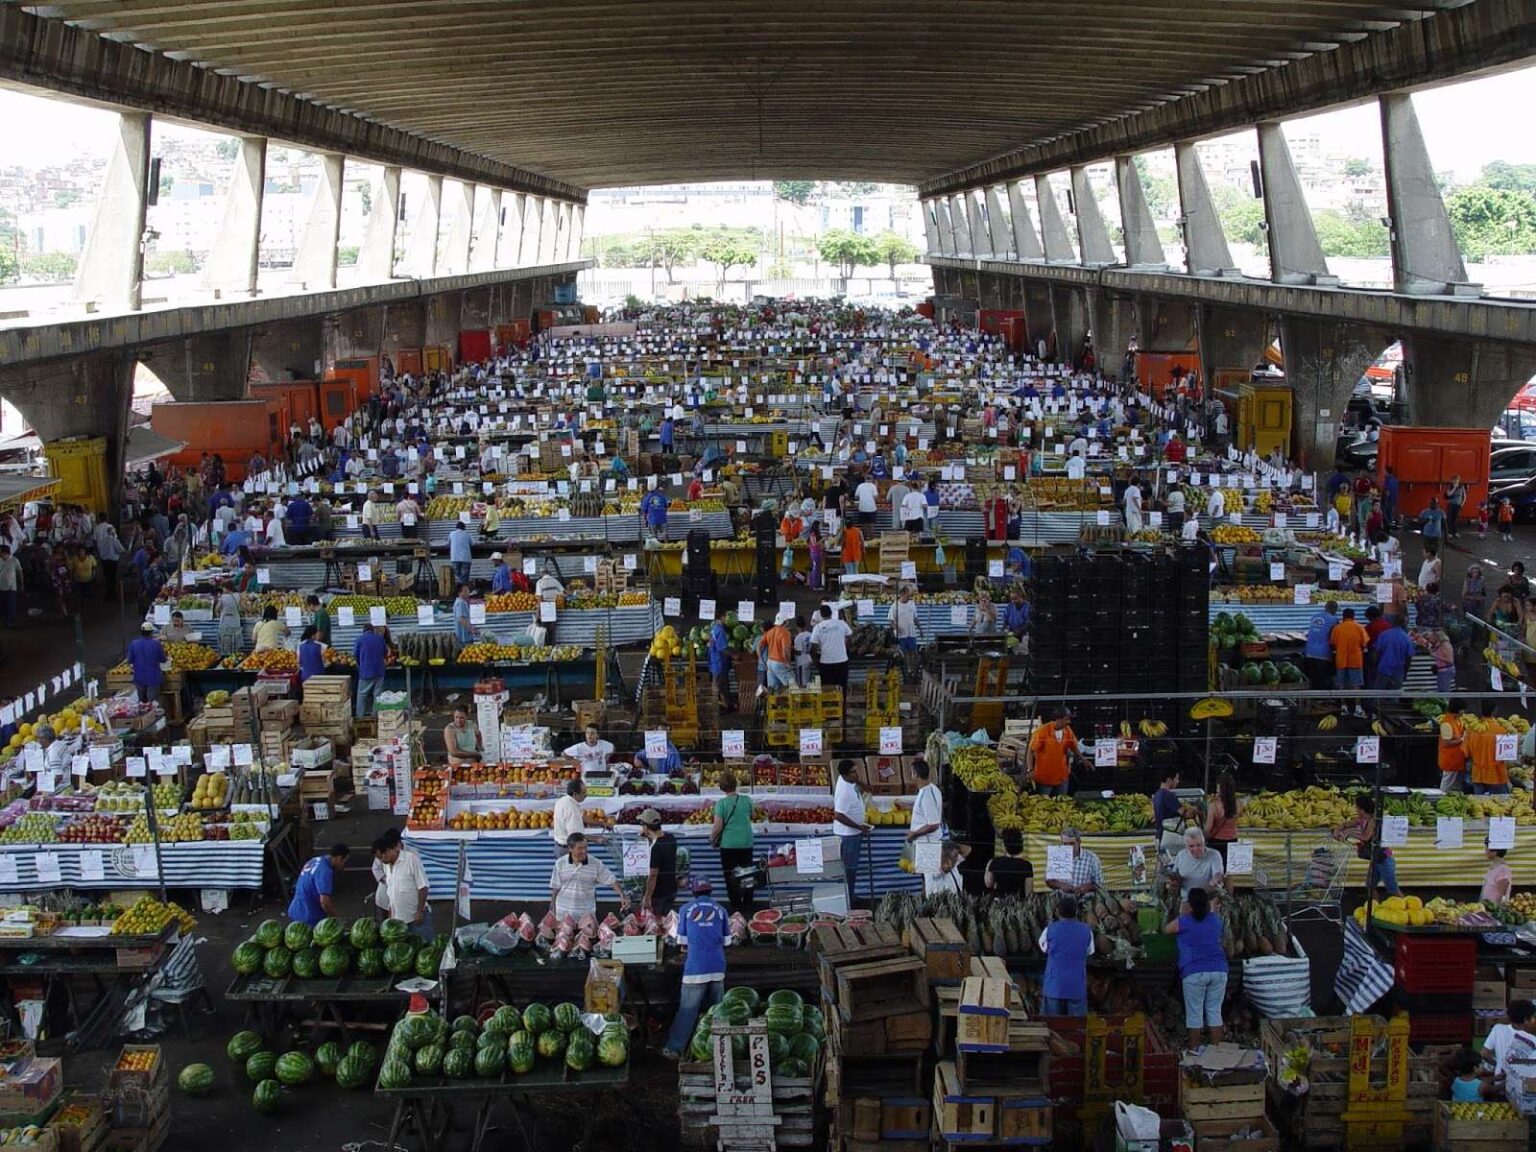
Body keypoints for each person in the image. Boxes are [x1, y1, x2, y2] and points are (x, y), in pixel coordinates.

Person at [659, 886, 731, 1060]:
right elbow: (727, 941)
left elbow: (682, 940)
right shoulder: (721, 909)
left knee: (687, 1011)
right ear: (711, 892)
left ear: (694, 892)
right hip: (717, 967)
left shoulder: (685, 909)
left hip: (695, 969)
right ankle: (722, 1049)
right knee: (718, 1011)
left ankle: (673, 1048)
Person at [1164, 886, 1228, 1050]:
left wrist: (1182, 913)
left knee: (1195, 1013)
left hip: (1194, 972)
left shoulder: (1184, 921)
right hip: (1219, 969)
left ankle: (1194, 1052)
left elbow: (1166, 929)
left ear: (1190, 905)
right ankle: (1217, 1052)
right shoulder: (1215, 919)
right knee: (1214, 1011)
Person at [549, 832, 628, 920]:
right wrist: (552, 907)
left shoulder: (595, 863)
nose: (584, 851)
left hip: (586, 917)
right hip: (563, 915)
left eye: (585, 847)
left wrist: (622, 895)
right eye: (580, 848)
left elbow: (611, 880)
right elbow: (555, 887)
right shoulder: (560, 863)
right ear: (570, 849)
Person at [1334, 794, 1400, 897]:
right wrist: (1338, 829)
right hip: (1375, 858)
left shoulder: (1373, 820)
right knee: (1370, 886)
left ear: (1362, 809)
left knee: (1392, 888)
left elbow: (1366, 837)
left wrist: (1350, 833)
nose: (1355, 809)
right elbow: (1346, 824)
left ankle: (1407, 908)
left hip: (1384, 858)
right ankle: (1374, 907)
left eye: (1356, 807)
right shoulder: (1361, 819)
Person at [1039, 896, 1093, 1017]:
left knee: (1052, 1028)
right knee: (1076, 1029)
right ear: (1077, 911)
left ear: (1057, 911)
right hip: (1076, 985)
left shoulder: (1050, 930)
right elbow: (1090, 951)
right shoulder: (1086, 930)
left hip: (1054, 985)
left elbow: (1044, 948)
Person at [711, 770, 755, 915]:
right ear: (736, 785)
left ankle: (736, 906)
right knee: (747, 874)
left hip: (729, 845)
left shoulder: (721, 804)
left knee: (731, 876)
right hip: (746, 842)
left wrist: (712, 839)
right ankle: (748, 904)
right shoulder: (747, 800)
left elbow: (718, 826)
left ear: (722, 787)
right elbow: (753, 815)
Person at [375, 833, 432, 940]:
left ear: (388, 851)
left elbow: (423, 887)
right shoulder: (386, 865)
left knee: (425, 946)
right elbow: (391, 889)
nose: (381, 860)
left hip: (416, 919)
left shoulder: (411, 859)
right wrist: (391, 911)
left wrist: (419, 912)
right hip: (399, 921)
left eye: (382, 856)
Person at [833, 758, 873, 907]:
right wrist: (858, 827)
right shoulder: (845, 792)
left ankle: (850, 895)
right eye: (854, 772)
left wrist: (860, 782)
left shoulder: (846, 781)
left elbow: (860, 785)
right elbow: (838, 815)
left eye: (857, 770)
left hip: (852, 833)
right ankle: (848, 900)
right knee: (850, 868)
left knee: (851, 867)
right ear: (845, 774)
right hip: (848, 834)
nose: (857, 774)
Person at [1481, 1000, 1536, 1091]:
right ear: (1526, 1020)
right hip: (1519, 1087)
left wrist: (1499, 1062)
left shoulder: (1498, 1029)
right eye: (1533, 1017)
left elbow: (1484, 1053)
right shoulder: (1532, 1040)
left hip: (1499, 1081)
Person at [287, 844, 348, 925]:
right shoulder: (325, 871)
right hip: (309, 916)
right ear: (339, 858)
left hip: (296, 909)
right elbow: (324, 901)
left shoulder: (315, 860)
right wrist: (334, 919)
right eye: (344, 861)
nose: (343, 865)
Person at [1028, 707, 1082, 797]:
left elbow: (1073, 746)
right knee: (1044, 804)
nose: (1069, 722)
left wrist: (1083, 759)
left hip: (1061, 776)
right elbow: (1030, 750)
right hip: (1045, 777)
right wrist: (1029, 769)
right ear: (1058, 719)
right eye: (1066, 719)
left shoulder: (1067, 730)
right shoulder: (1042, 731)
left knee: (1061, 803)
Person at [636, 808, 679, 916]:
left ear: (645, 827)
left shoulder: (656, 848)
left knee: (657, 924)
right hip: (671, 889)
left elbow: (653, 875)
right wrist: (648, 836)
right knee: (668, 922)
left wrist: (647, 897)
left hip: (658, 894)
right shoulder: (671, 838)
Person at [1170, 827, 1227, 903]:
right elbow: (1174, 875)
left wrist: (1215, 880)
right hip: (1186, 899)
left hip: (1207, 898)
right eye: (1191, 846)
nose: (1196, 849)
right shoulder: (1181, 855)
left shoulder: (1214, 854)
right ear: (1186, 846)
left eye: (1199, 845)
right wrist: (1174, 881)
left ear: (1204, 843)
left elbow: (1218, 873)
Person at [1046, 827, 1103, 896]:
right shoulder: (1056, 856)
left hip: (1085, 898)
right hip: (1061, 897)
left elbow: (1099, 884)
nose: (1068, 847)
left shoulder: (1092, 858)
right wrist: (1061, 886)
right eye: (1065, 844)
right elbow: (1049, 881)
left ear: (1079, 842)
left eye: (1072, 843)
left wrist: (1087, 887)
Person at [1469, 701, 1510, 795]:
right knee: (1499, 805)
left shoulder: (1472, 730)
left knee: (1478, 806)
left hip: (1478, 774)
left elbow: (1466, 752)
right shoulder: (1501, 730)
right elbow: (1506, 754)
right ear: (1494, 711)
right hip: (1497, 775)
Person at [810, 604, 852, 689]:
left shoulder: (818, 628)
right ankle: (842, 702)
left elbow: (813, 646)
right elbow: (849, 636)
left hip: (826, 662)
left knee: (827, 689)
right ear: (831, 613)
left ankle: (829, 702)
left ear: (821, 615)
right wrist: (845, 648)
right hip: (842, 660)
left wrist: (815, 660)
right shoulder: (841, 623)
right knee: (842, 687)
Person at [1330, 607, 1368, 700]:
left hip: (1341, 659)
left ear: (1343, 617)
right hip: (1355, 660)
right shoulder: (1359, 627)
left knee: (1341, 684)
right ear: (1353, 616)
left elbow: (1333, 643)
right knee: (1356, 684)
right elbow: (1365, 643)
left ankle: (1343, 707)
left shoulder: (1337, 628)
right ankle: (1358, 707)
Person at [126, 623, 168, 705]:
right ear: (151, 632)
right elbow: (163, 659)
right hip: (153, 678)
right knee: (152, 704)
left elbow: (130, 660)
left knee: (141, 703)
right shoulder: (156, 644)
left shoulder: (134, 644)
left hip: (139, 677)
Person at [353, 622, 389, 717]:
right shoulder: (380, 639)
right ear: (373, 630)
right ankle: (376, 716)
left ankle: (360, 717)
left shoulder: (360, 639)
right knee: (378, 695)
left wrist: (359, 665)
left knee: (362, 695)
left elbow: (355, 655)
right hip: (379, 671)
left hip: (366, 671)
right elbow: (385, 653)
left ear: (364, 630)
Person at [985, 829, 1034, 896]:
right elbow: (1029, 892)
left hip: (999, 902)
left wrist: (988, 865)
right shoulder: (1026, 865)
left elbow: (989, 884)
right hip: (1018, 902)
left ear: (1004, 846)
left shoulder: (995, 862)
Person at [1204, 773, 1240, 863]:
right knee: (1228, 868)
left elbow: (1208, 828)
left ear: (1220, 788)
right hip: (1232, 840)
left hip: (1217, 841)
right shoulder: (1238, 804)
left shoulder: (1214, 805)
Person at [1372, 616, 1414, 693]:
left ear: (1392, 623)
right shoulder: (1406, 638)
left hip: (1383, 669)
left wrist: (1374, 667)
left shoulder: (1384, 634)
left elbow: (1376, 653)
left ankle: (1379, 705)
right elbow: (1409, 658)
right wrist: (1405, 672)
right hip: (1398, 670)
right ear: (1404, 624)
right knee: (1395, 695)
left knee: (1379, 693)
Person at [888, 585, 924, 671]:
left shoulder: (912, 604)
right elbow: (891, 620)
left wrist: (920, 629)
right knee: (905, 653)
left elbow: (915, 618)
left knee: (913, 652)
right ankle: (907, 669)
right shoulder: (895, 606)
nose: (909, 596)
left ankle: (912, 669)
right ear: (902, 594)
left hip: (911, 633)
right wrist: (896, 627)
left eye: (909, 595)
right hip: (901, 635)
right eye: (907, 594)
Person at [757, 616, 794, 692]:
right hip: (780, 662)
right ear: (785, 622)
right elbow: (785, 650)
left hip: (769, 663)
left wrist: (761, 660)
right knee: (792, 686)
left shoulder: (770, 632)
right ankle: (792, 703)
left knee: (773, 690)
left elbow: (759, 646)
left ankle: (773, 704)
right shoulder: (785, 633)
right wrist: (788, 663)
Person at [1439, 700, 1469, 792]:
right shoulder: (1446, 724)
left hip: (1458, 760)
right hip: (1450, 761)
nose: (1464, 712)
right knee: (1446, 786)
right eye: (1463, 709)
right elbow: (1446, 743)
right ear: (1458, 710)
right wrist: (1461, 740)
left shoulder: (1458, 720)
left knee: (1457, 787)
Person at [552, 778, 588, 856]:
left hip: (559, 847)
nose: (586, 795)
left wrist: (601, 823)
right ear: (575, 794)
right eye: (583, 793)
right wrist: (597, 838)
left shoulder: (562, 800)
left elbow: (581, 817)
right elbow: (576, 836)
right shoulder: (572, 809)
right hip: (568, 850)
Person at [216, 581, 242, 656]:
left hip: (225, 620)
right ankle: (236, 655)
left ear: (226, 588)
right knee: (235, 638)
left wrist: (218, 614)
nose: (223, 590)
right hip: (235, 620)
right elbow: (242, 607)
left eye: (223, 588)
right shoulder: (238, 595)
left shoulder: (223, 597)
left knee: (225, 639)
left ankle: (225, 656)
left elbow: (217, 608)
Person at [448, 521, 473, 588]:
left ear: (456, 528)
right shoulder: (467, 534)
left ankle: (459, 590)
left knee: (458, 575)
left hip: (455, 558)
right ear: (464, 528)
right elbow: (473, 543)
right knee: (464, 577)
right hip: (465, 558)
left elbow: (448, 543)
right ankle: (463, 590)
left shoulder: (451, 534)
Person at [1445, 474, 1467, 538]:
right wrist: (1454, 488)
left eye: (1457, 480)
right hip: (1450, 505)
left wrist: (1461, 504)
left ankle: (1455, 532)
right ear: (1452, 481)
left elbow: (1464, 496)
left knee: (1455, 519)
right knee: (1449, 519)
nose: (1455, 481)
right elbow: (1449, 494)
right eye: (1454, 480)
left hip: (1457, 505)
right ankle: (1449, 533)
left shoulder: (1461, 487)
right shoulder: (1450, 487)